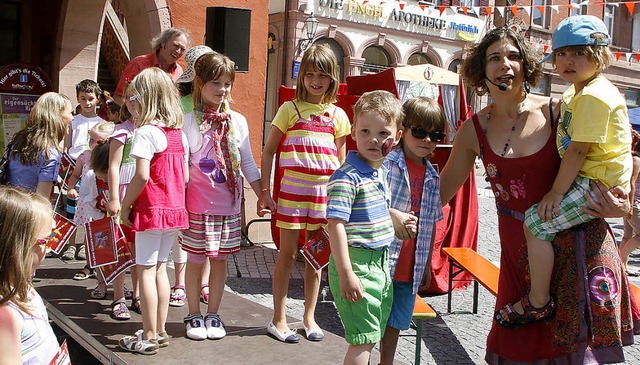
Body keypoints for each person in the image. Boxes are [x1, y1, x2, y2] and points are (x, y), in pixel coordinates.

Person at [440, 25, 636, 363]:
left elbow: (615, 154)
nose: (505, 65)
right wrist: (395, 218)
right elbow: (442, 190)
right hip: (520, 255)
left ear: (527, 65)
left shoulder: (559, 111)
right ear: (480, 69)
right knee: (520, 349)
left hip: (579, 248)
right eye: (494, 57)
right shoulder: (473, 130)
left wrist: (625, 206)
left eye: (514, 56)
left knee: (573, 351)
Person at [507, 15, 632, 329]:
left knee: (536, 224)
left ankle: (538, 301)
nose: (567, 60)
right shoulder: (576, 93)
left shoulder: (592, 96)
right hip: (592, 178)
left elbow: (578, 150)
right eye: (561, 54)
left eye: (578, 53)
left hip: (595, 181)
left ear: (600, 55)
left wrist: (557, 192)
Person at [258, 44, 351, 343]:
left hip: (323, 199)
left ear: (332, 78)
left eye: (322, 75)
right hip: (291, 195)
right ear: (302, 77)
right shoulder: (289, 109)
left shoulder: (338, 115)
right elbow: (269, 150)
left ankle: (309, 318)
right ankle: (278, 318)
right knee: (288, 254)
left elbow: (341, 162)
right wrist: (264, 191)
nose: (315, 80)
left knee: (316, 259)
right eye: (310, 74)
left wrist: (343, 200)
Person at [180, 52, 262, 340]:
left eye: (227, 83)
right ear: (200, 83)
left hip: (228, 208)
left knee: (220, 262)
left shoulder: (237, 121)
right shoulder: (188, 121)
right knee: (195, 261)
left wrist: (262, 193)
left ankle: (213, 313)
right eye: (215, 82)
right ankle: (193, 313)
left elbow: (248, 162)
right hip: (196, 207)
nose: (222, 89)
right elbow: (182, 166)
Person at [326, 90, 403, 365]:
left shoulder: (378, 171)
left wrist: (395, 217)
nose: (374, 139)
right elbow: (335, 225)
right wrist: (346, 272)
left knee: (372, 334)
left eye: (383, 133)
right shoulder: (346, 176)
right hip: (357, 263)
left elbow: (373, 209)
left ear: (397, 137)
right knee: (364, 339)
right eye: (366, 131)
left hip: (380, 264)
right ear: (353, 133)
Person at [117, 67, 189, 355]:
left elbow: (142, 176)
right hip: (173, 210)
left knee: (145, 270)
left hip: (151, 209)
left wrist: (125, 205)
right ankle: (158, 330)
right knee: (160, 269)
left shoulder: (146, 132)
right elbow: (184, 178)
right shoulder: (177, 134)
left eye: (134, 95)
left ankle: (148, 334)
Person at [379, 97, 445, 364]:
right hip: (383, 259)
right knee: (374, 319)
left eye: (435, 135)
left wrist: (428, 264)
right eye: (419, 131)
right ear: (403, 129)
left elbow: (429, 223)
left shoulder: (432, 175)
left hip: (412, 264)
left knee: (396, 321)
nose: (426, 140)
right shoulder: (386, 163)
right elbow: (369, 204)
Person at [0, 186, 65, 364]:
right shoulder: (6, 315)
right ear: (17, 246)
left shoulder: (22, 288)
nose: (51, 247)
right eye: (48, 239)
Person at [106, 93, 142, 314]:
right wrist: (113, 198)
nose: (132, 101)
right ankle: (118, 296)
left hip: (142, 196)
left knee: (139, 249)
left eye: (137, 96)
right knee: (120, 248)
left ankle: (138, 294)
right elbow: (113, 165)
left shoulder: (152, 129)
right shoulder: (122, 130)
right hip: (123, 192)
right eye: (129, 97)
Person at [63, 79, 106, 256]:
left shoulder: (101, 121)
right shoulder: (74, 121)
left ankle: (85, 245)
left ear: (97, 99)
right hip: (75, 165)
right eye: (83, 99)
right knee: (72, 208)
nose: (87, 103)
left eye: (90, 98)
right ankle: (71, 244)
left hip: (94, 167)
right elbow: (66, 145)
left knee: (90, 208)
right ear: (78, 99)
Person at [70, 121, 115, 280]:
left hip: (110, 208)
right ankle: (91, 265)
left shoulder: (115, 162)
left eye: (94, 140)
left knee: (111, 243)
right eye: (90, 140)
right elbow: (77, 176)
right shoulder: (85, 157)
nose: (90, 143)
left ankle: (112, 274)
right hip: (91, 203)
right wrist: (72, 188)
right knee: (93, 237)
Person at [5, 92, 73, 197]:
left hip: (8, 205)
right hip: (28, 210)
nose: (72, 118)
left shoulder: (18, 141)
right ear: (57, 116)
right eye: (70, 112)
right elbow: (42, 200)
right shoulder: (50, 154)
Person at [113, 28, 191, 106]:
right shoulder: (139, 63)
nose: (178, 51)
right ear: (163, 43)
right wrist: (135, 114)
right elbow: (119, 97)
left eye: (182, 49)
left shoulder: (179, 71)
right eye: (176, 45)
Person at [620, 137, 640, 276]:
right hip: (633, 203)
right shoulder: (636, 160)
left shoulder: (631, 156)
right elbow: (631, 184)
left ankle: (623, 265)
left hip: (629, 202)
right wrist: (630, 205)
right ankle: (621, 260)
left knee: (627, 235)